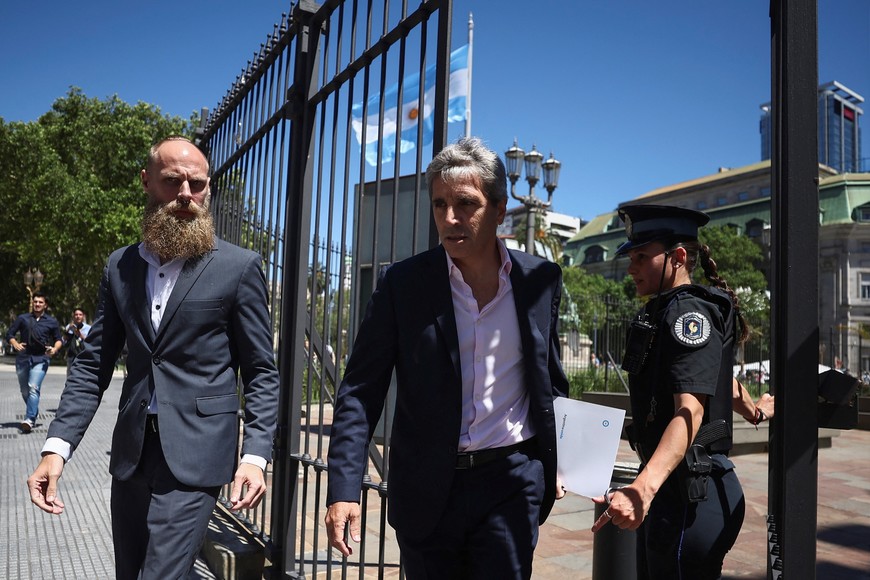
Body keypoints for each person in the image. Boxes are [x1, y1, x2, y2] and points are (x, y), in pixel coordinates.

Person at [26, 136, 280, 580]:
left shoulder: (238, 268)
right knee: (132, 571)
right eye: (173, 181)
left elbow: (261, 371)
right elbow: (92, 365)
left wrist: (255, 456)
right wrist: (56, 450)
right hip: (132, 455)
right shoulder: (120, 267)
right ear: (146, 181)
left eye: (197, 184)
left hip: (198, 455)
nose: (186, 194)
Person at [325, 137, 569, 579]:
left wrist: (562, 461)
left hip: (511, 483)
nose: (450, 218)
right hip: (427, 490)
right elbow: (360, 391)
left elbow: (549, 380)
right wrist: (344, 489)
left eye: (465, 204)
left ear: (499, 207)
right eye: (440, 204)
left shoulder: (541, 280)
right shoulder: (403, 285)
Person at [590, 204, 753, 579]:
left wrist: (641, 489)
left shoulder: (688, 313)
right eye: (631, 256)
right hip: (675, 490)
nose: (631, 267)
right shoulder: (665, 310)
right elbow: (714, 378)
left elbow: (691, 410)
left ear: (678, 257)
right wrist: (755, 411)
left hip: (689, 496)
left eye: (642, 256)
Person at [5, 292, 63, 433]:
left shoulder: (51, 321)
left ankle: (29, 419)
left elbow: (59, 339)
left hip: (41, 359)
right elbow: (9, 334)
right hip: (23, 358)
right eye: (35, 301)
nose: (37, 304)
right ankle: (34, 410)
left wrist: (54, 349)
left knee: (33, 387)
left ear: (45, 305)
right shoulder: (22, 318)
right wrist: (15, 343)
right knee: (24, 390)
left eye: (40, 302)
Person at [62, 308, 91, 372]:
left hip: (83, 355)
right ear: (73, 316)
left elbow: (90, 342)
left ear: (83, 316)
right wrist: (68, 330)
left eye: (80, 315)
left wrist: (79, 334)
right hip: (71, 356)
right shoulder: (69, 327)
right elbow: (63, 341)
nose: (78, 316)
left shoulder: (88, 328)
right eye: (76, 315)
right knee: (70, 376)